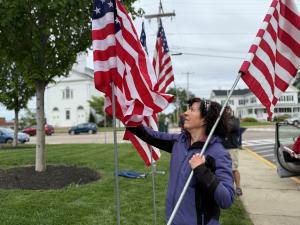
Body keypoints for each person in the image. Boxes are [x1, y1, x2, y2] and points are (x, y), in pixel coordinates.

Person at [127, 98, 235, 225]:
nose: (185, 113)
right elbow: (151, 136)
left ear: (205, 119)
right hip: (173, 220)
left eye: (192, 110)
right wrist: (128, 119)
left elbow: (226, 199)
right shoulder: (180, 141)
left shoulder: (218, 153)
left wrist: (202, 170)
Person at [222, 106, 243, 196]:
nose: (227, 112)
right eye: (225, 110)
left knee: (233, 169)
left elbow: (230, 128)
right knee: (223, 169)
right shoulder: (221, 121)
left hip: (232, 148)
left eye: (228, 110)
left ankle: (238, 187)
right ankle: (228, 187)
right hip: (221, 148)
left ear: (231, 111)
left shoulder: (235, 120)